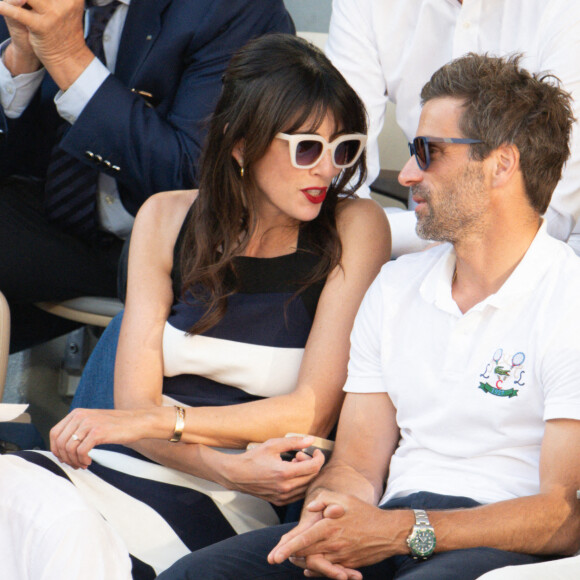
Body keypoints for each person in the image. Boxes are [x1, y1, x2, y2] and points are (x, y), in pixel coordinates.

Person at [156, 53, 580, 580]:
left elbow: (564, 516)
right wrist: (327, 519)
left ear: (501, 164)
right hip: (385, 529)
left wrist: (404, 529)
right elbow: (357, 463)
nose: (406, 174)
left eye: (428, 152)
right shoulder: (396, 287)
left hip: (498, 543)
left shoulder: (570, 301)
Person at [0, 33, 391, 579]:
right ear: (240, 144)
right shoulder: (164, 218)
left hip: (224, 508)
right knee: (18, 495)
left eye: (343, 147)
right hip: (134, 468)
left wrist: (166, 429)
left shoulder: (355, 227)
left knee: (63, 543)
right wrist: (219, 462)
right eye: (307, 147)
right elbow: (133, 402)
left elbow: (309, 410)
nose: (328, 169)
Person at [0, 0, 294, 352]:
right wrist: (21, 62)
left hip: (184, 252)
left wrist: (68, 59)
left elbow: (198, 181)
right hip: (61, 222)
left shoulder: (233, 8)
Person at [324, 0, 580, 257]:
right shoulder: (364, 5)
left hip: (552, 255)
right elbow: (337, 171)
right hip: (416, 237)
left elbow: (554, 205)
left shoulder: (565, 9)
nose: (405, 175)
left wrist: (373, 234)